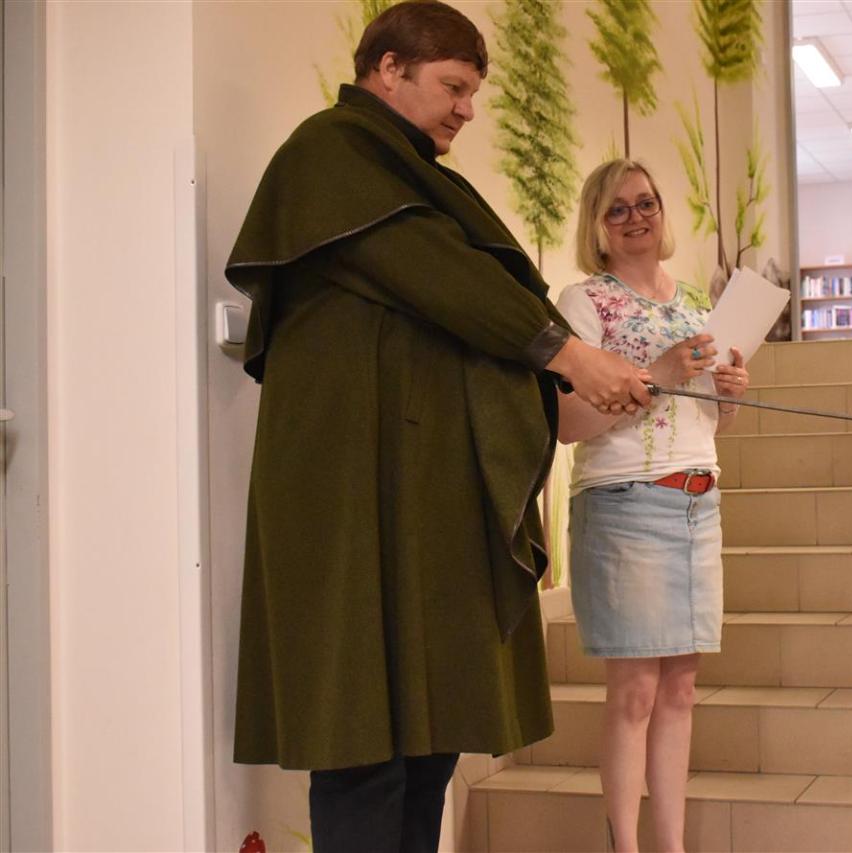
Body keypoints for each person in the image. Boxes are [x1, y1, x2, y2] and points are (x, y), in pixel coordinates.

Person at [223, 5, 649, 852]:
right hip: (350, 500)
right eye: (454, 87)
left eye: (472, 92)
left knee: (428, 738)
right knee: (361, 743)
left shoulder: (407, 174)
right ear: (389, 69)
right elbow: (442, 275)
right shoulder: (329, 155)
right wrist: (568, 352)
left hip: (418, 499)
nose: (467, 109)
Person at [554, 159, 750, 853]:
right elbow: (565, 423)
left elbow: (711, 424)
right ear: (597, 225)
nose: (636, 217)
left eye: (646, 203)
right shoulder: (584, 302)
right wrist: (658, 375)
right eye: (618, 208)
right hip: (625, 505)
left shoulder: (696, 300)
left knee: (681, 691)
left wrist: (729, 392)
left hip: (698, 502)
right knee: (635, 690)